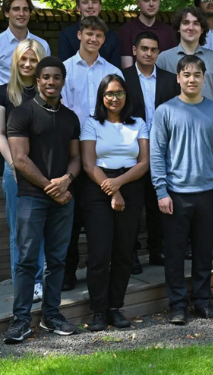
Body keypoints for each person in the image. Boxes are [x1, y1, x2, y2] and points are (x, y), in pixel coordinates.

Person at [3, 57, 81, 344]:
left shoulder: (70, 118)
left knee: (57, 260)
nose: (51, 82)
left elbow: (76, 159)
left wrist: (67, 181)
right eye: (45, 77)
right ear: (37, 81)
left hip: (63, 199)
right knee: (26, 260)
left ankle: (51, 315)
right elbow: (20, 160)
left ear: (63, 80)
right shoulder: (22, 114)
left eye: (56, 77)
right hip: (32, 198)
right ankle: (21, 320)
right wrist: (53, 187)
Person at [150, 55, 213, 325]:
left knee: (203, 251)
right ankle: (177, 306)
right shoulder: (165, 111)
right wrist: (161, 191)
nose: (192, 79)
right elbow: (157, 153)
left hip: (209, 193)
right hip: (175, 194)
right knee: (174, 254)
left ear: (204, 78)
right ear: (178, 78)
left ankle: (203, 302)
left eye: (197, 75)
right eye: (186, 74)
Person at [80, 74, 150, 331]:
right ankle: (98, 310)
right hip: (99, 188)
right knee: (99, 253)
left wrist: (119, 184)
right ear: (101, 97)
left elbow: (144, 162)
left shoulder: (138, 123)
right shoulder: (91, 124)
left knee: (123, 251)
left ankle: (114, 308)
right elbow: (88, 164)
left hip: (130, 185)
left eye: (119, 93)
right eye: (109, 94)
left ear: (126, 96)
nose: (114, 98)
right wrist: (112, 190)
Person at [61, 16, 123, 291]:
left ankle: (102, 271)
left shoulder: (111, 72)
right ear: (79, 35)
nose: (93, 39)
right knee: (70, 217)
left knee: (99, 214)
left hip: (103, 151)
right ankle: (67, 272)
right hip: (70, 149)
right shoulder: (64, 70)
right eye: (89, 33)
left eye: (99, 35)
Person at [0, 39, 47, 304]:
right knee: (20, 230)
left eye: (33, 59)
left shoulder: (47, 92)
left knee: (42, 227)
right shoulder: (2, 93)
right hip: (14, 170)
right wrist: (13, 164)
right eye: (23, 59)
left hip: (43, 169)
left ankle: (40, 281)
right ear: (15, 60)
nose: (27, 64)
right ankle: (24, 283)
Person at [123, 31, 180, 269]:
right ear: (134, 50)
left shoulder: (169, 79)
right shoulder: (122, 77)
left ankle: (158, 250)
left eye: (153, 49)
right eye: (144, 48)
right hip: (131, 149)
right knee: (133, 205)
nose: (148, 53)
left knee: (159, 201)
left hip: (163, 149)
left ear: (159, 52)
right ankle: (131, 254)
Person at [0, 0, 51, 176]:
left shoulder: (41, 45)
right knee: (1, 167)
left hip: (35, 109)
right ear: (6, 13)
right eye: (16, 9)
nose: (21, 13)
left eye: (26, 9)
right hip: (4, 109)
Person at [156, 7, 213, 105]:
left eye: (196, 23)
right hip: (174, 118)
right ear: (178, 28)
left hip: (208, 118)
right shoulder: (163, 59)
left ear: (202, 30)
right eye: (185, 23)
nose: (190, 27)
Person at [58, 0, 121, 67]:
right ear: (78, 8)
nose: (90, 6)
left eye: (94, 2)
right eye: (85, 2)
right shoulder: (66, 34)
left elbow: (115, 69)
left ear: (100, 7)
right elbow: (64, 67)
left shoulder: (112, 37)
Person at [119, 0, 176, 69]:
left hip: (165, 81)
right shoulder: (127, 30)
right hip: (135, 81)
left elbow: (172, 66)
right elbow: (127, 70)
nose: (151, 4)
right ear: (137, 3)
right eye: (146, 0)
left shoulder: (168, 32)